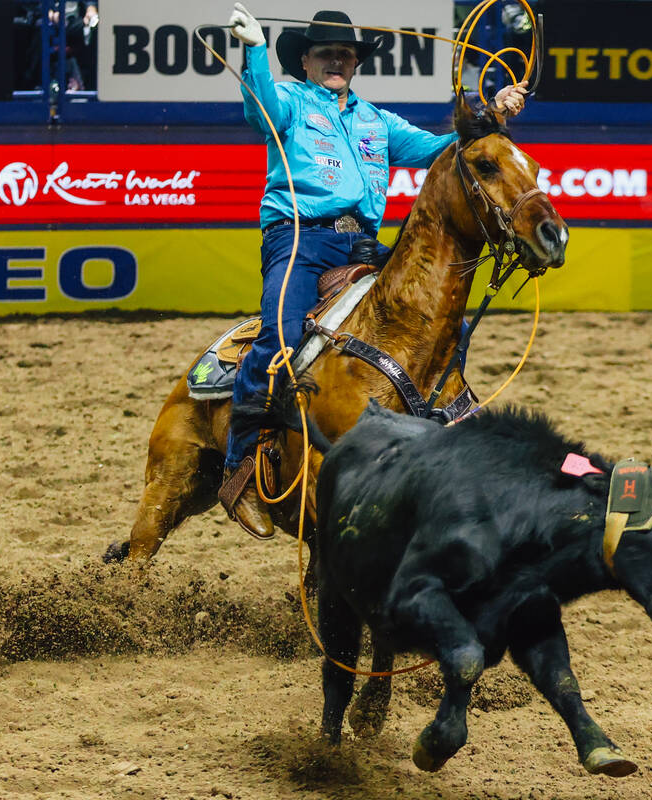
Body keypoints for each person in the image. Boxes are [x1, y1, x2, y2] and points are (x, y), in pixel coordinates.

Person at [218, 3, 528, 537]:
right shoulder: (289, 101)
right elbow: (258, 106)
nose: (336, 60)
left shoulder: (374, 120)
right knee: (281, 338)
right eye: (326, 53)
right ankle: (239, 472)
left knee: (428, 328)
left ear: (356, 62)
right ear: (307, 61)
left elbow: (443, 150)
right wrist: (252, 51)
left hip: (363, 247)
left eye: (345, 53)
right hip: (298, 240)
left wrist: (493, 114)